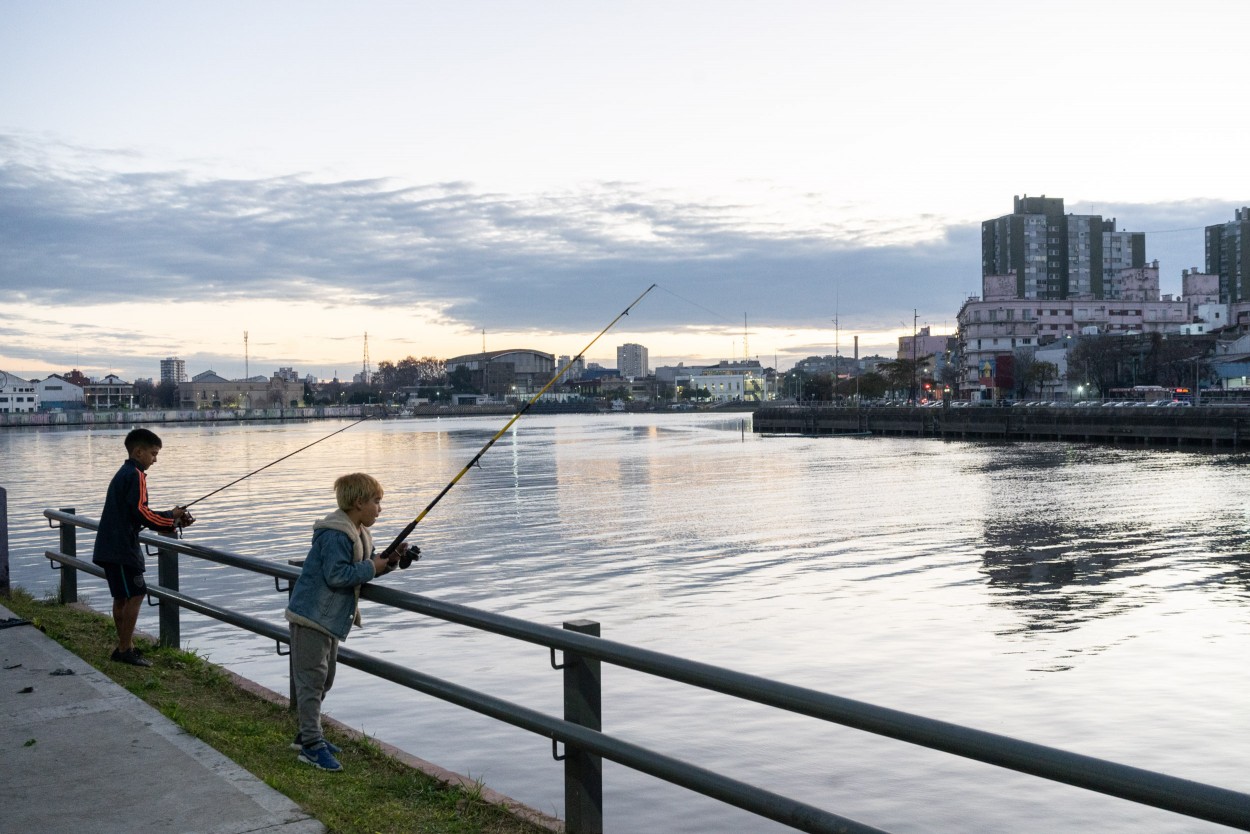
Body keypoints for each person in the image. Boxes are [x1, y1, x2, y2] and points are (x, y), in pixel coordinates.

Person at [285, 472, 411, 772]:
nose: (380, 509)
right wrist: (372, 565)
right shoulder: (336, 534)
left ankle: (307, 734)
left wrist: (390, 561)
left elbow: (365, 569)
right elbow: (338, 575)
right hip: (311, 616)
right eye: (376, 502)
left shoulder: (358, 531)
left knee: (324, 679)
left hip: (330, 618)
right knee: (312, 681)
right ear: (358, 503)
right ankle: (312, 747)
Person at [92, 427, 195, 667]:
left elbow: (136, 513)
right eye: (153, 453)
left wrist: (171, 518)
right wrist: (171, 517)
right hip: (122, 548)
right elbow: (141, 513)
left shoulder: (124, 472)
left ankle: (124, 646)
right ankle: (125, 648)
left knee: (121, 597)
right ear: (138, 452)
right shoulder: (136, 475)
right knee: (136, 594)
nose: (155, 459)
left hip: (109, 545)